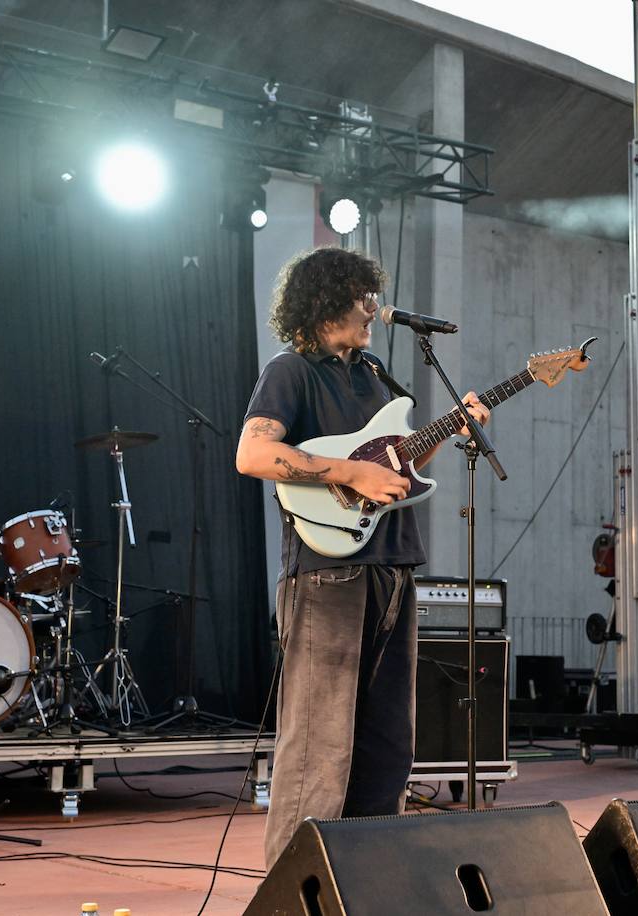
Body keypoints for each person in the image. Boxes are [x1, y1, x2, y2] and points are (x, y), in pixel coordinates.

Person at [235, 247, 489, 871]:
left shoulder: (373, 372)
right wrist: (349, 470)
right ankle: (292, 890)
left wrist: (452, 429)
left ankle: (366, 881)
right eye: (361, 297)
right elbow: (253, 455)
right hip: (327, 574)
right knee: (319, 743)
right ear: (326, 301)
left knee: (387, 744)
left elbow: (389, 472)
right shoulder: (291, 371)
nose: (373, 309)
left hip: (392, 565)